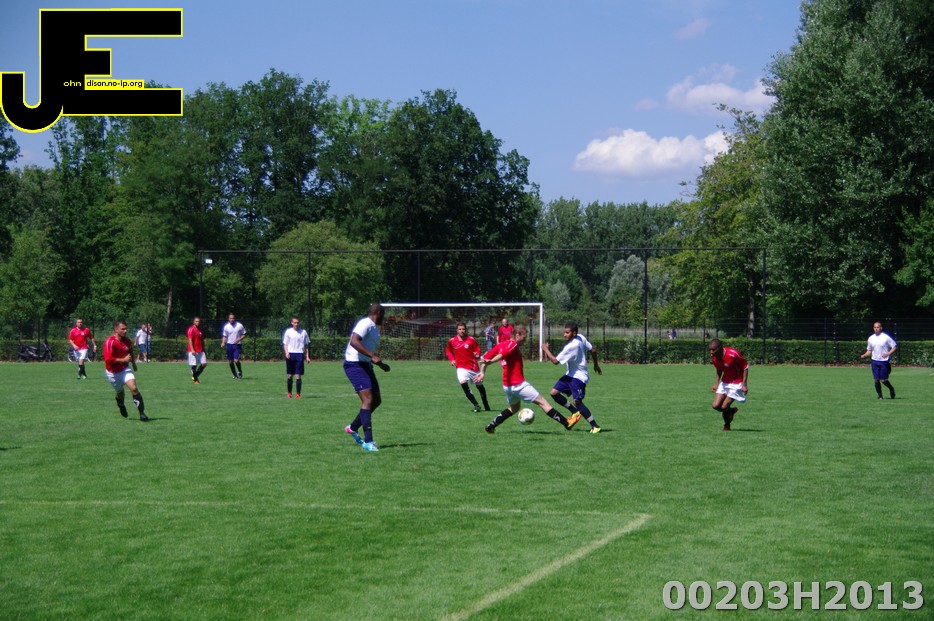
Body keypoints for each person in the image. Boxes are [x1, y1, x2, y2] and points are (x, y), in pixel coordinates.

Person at [477, 325, 582, 434]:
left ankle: (491, 426)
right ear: (517, 335)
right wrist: (491, 362)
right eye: (524, 337)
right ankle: (567, 423)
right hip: (519, 385)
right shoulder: (512, 344)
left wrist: (482, 372)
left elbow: (485, 359)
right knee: (543, 402)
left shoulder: (500, 345)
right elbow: (502, 355)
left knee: (514, 408)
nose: (525, 340)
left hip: (507, 386)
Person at [343, 303, 390, 452]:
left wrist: (380, 364)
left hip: (365, 365)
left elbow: (367, 350)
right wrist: (372, 356)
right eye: (383, 314)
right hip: (354, 364)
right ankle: (368, 442)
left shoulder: (374, 328)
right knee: (367, 399)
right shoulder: (365, 323)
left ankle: (353, 428)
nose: (384, 317)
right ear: (379, 312)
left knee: (376, 400)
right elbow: (354, 341)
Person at [541, 321, 602, 433]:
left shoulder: (572, 346)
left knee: (577, 401)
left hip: (579, 377)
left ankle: (595, 426)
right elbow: (593, 349)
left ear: (574, 333)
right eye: (564, 332)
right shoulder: (581, 337)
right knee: (554, 393)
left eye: (567, 333)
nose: (564, 335)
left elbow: (555, 361)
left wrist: (545, 349)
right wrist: (596, 365)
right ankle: (574, 412)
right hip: (570, 374)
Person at [102, 320, 148, 421]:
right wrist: (123, 360)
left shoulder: (127, 341)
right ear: (116, 329)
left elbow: (130, 351)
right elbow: (108, 359)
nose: (125, 331)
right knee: (120, 393)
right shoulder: (110, 342)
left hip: (125, 369)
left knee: (134, 388)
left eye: (126, 329)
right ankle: (121, 404)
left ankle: (142, 413)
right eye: (122, 329)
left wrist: (134, 363)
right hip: (112, 373)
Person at [445, 321, 491, 412]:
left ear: (466, 330)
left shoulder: (471, 339)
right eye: (460, 329)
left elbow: (477, 349)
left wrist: (477, 354)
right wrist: (452, 359)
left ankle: (486, 404)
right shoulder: (452, 341)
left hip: (473, 367)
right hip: (461, 368)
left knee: (480, 387)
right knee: (464, 384)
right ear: (457, 330)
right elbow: (448, 350)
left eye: (463, 329)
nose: (461, 331)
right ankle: (476, 405)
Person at [708, 339, 749, 431]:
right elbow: (719, 369)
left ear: (720, 348)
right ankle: (731, 411)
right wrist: (716, 383)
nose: (711, 352)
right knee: (716, 406)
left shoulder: (733, 354)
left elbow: (745, 367)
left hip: (737, 382)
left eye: (713, 349)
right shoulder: (714, 357)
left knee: (724, 406)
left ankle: (727, 425)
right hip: (725, 382)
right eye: (710, 350)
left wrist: (744, 384)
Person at [859, 321, 897, 400]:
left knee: (883, 380)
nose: (876, 328)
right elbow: (869, 350)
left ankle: (891, 388)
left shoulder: (886, 337)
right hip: (874, 361)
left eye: (878, 327)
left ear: (881, 328)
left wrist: (888, 353)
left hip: (884, 361)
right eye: (875, 327)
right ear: (873, 328)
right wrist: (864, 355)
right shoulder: (871, 338)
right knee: (876, 380)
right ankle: (880, 396)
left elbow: (894, 347)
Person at [282, 316, 311, 398]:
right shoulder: (288, 332)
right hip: (290, 354)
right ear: (292, 323)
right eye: (295, 322)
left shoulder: (303, 332)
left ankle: (298, 394)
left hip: (299, 354)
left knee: (298, 375)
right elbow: (285, 343)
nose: (296, 324)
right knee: (290, 375)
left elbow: (306, 345)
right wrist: (286, 352)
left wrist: (307, 356)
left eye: (297, 322)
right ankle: (289, 393)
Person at [221, 312, 246, 379]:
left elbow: (244, 335)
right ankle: (234, 374)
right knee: (230, 361)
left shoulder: (239, 325)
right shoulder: (226, 327)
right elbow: (224, 336)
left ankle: (239, 371)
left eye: (233, 318)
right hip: (229, 345)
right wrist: (223, 342)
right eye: (230, 318)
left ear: (234, 318)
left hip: (237, 345)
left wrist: (238, 339)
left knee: (236, 360)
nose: (232, 319)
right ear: (228, 319)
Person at [186, 316, 207, 384]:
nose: (198, 322)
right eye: (196, 321)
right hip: (193, 350)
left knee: (204, 364)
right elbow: (190, 340)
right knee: (194, 365)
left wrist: (204, 349)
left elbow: (201, 340)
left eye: (199, 321)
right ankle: (196, 380)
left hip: (200, 350)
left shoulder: (200, 329)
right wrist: (192, 349)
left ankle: (194, 375)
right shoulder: (191, 329)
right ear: (193, 322)